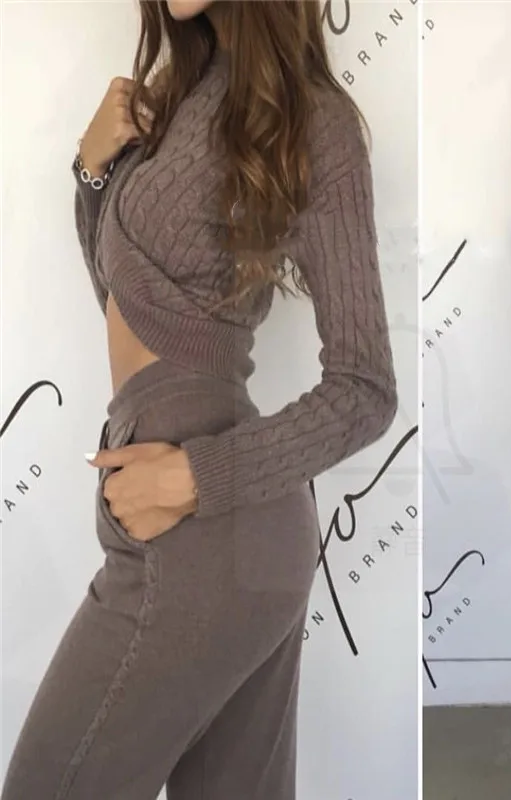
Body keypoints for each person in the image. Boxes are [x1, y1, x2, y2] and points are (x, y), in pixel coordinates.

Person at [1, 2, 397, 798]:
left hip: (211, 533)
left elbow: (366, 388)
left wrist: (193, 478)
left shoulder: (315, 121)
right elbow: (126, 297)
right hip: (205, 536)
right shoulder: (178, 88)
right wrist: (92, 171)